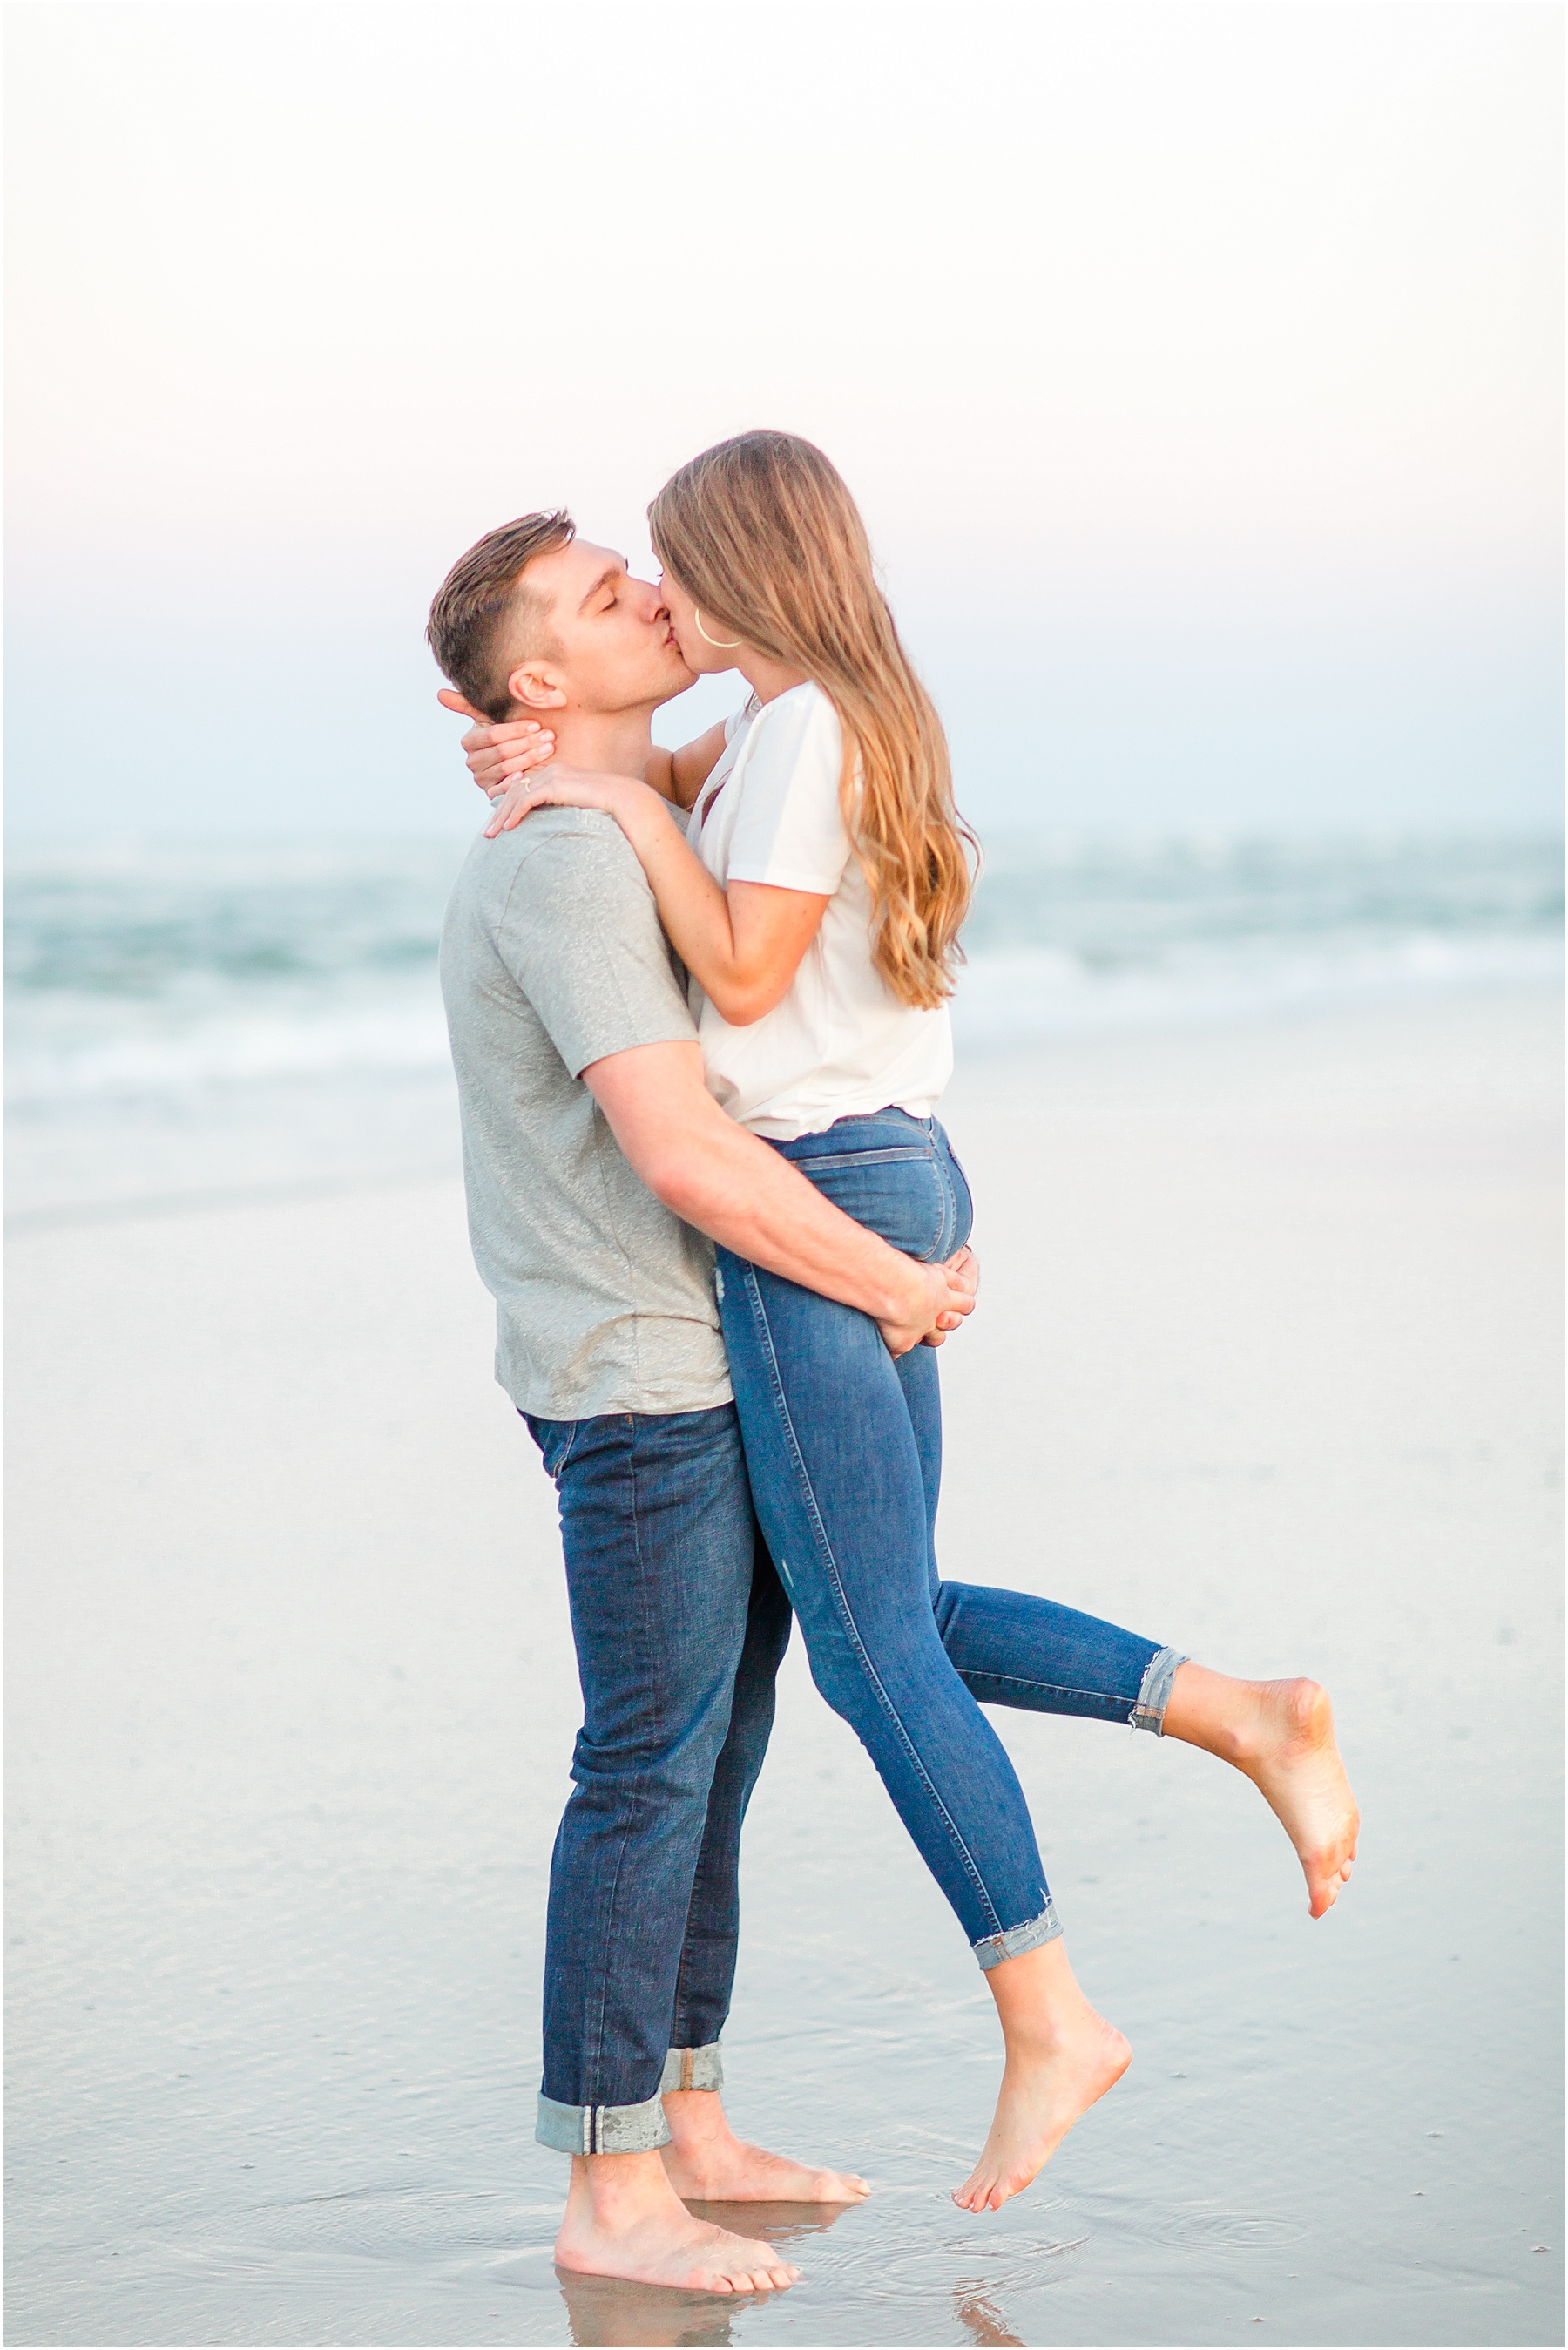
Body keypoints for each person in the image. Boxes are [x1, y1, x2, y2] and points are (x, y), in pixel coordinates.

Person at [454, 431, 1362, 2225]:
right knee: (898, 1611)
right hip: (882, 1170)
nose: (661, 594)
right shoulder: (799, 720)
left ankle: (1050, 2003)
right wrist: (552, 748)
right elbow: (668, 766)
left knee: (868, 1654)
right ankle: (1247, 1712)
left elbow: (737, 972)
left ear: (749, 577)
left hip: (830, 1198)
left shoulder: (792, 739)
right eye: (625, 588)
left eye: (674, 571)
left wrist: (617, 799)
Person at [429, 509, 978, 2298]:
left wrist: (574, 758)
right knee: (648, 1764)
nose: (650, 598)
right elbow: (678, 1151)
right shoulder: (564, 867)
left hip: (690, 1347)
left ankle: (690, 2116)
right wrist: (890, 1279)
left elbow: (708, 753)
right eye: (605, 599)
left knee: (713, 1753)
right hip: (639, 1373)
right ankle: (605, 2180)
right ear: (537, 679)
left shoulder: (618, 800)